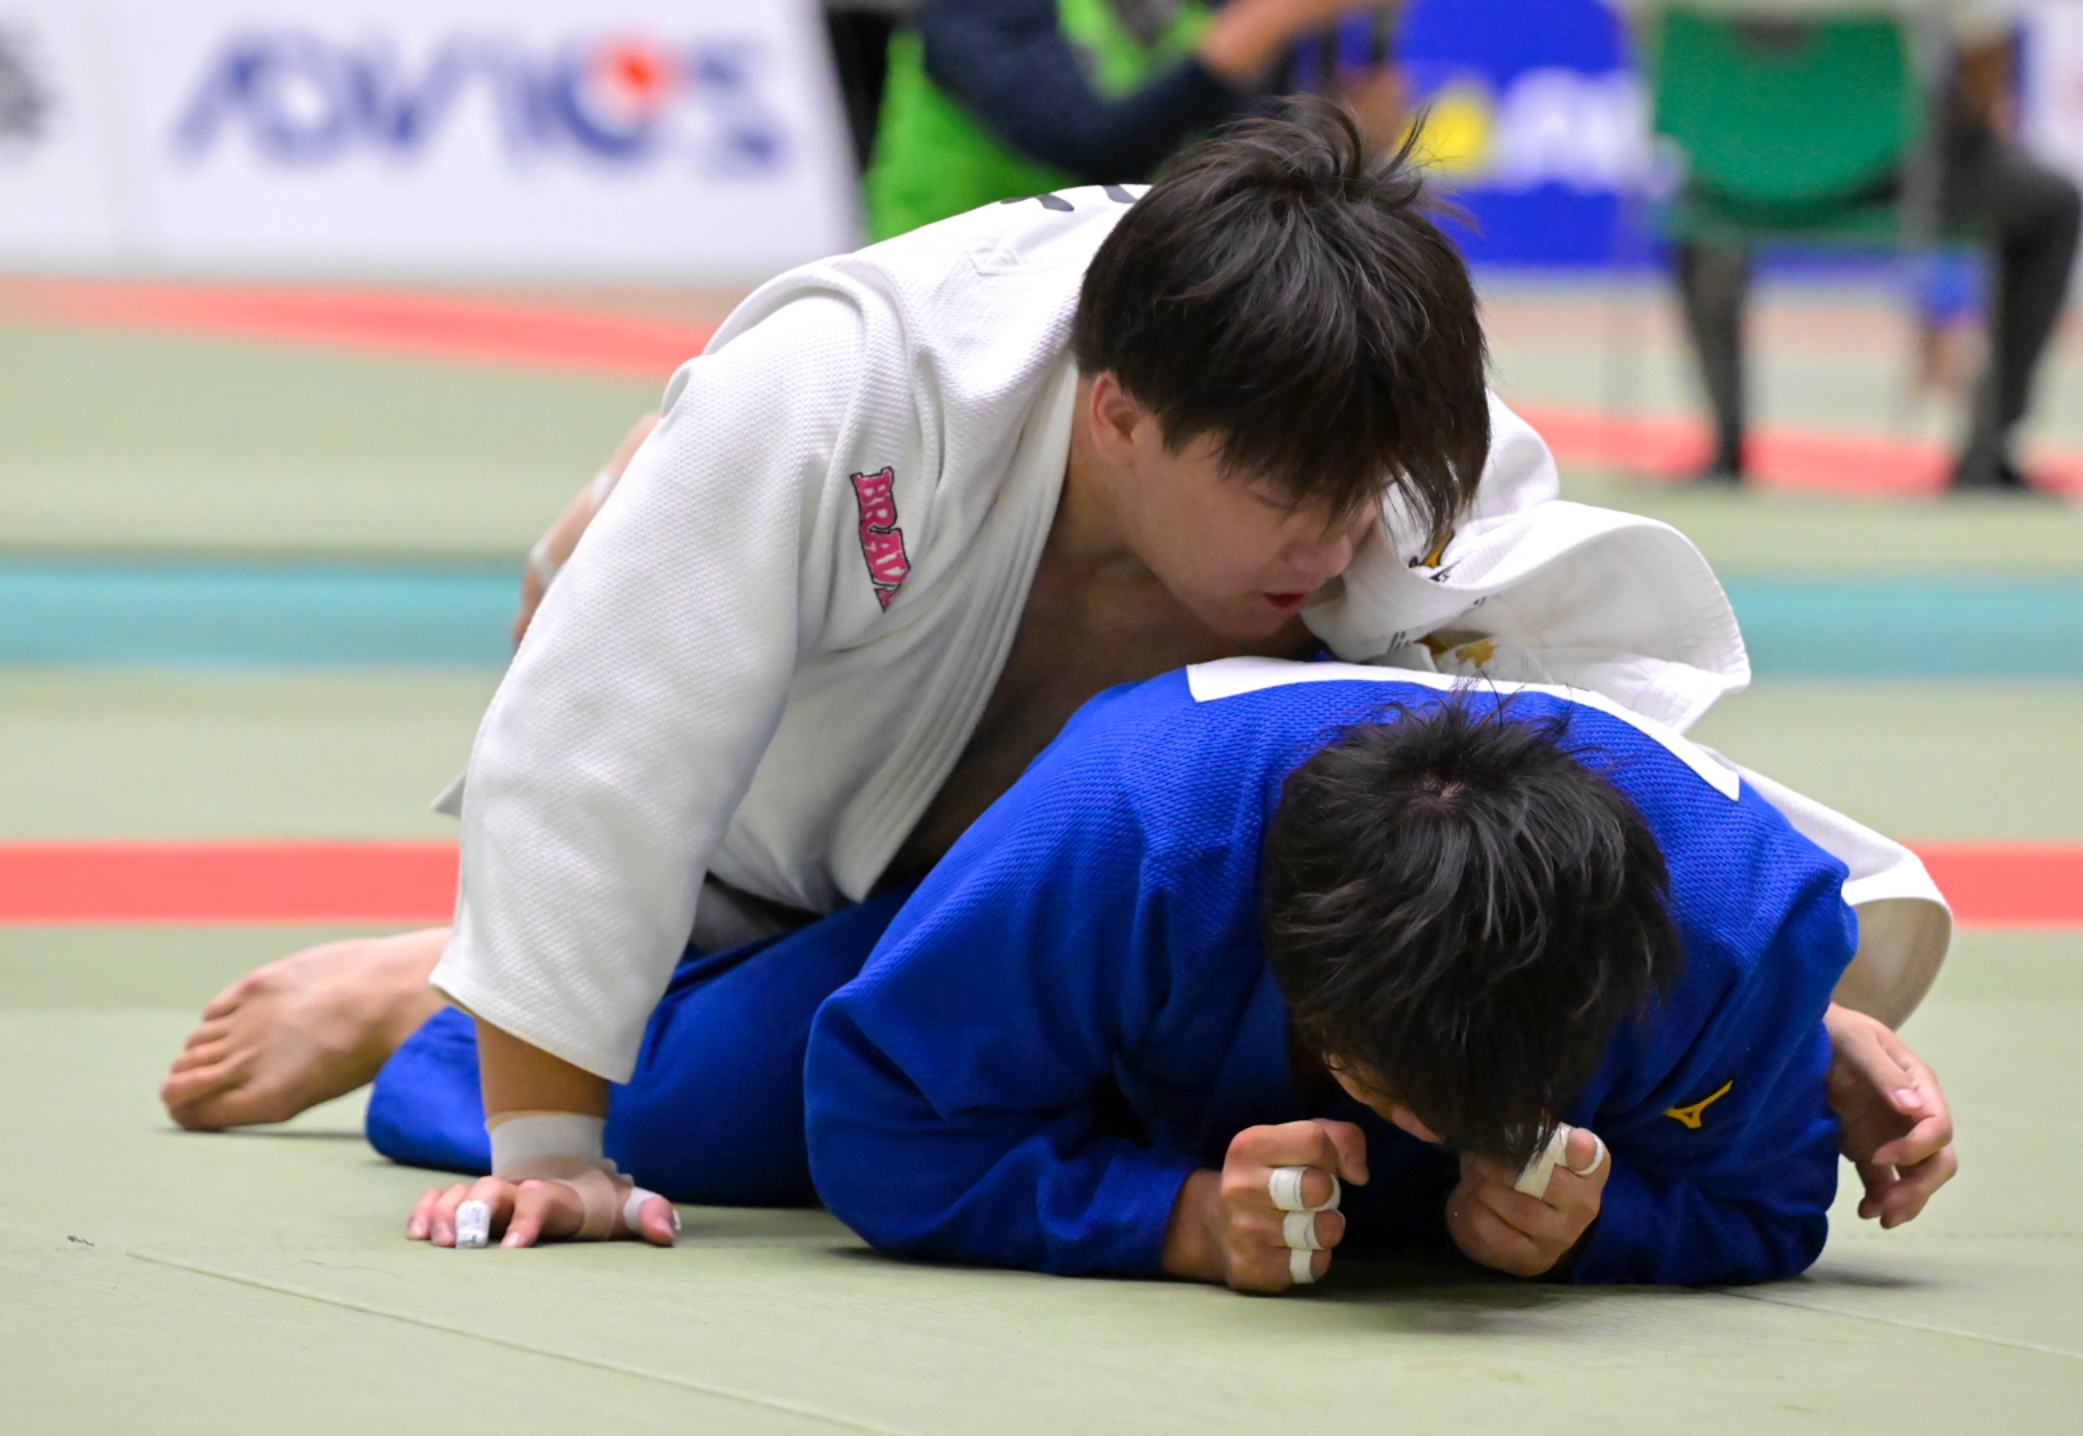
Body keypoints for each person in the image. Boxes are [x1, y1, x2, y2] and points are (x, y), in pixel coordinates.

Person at [161, 106, 1953, 1246]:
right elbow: (601, 734)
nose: (1337, 541)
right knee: (722, 1123)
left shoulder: (1394, 440)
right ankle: (435, 990)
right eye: (1290, 500)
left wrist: (1780, 1010)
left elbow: (1561, 765)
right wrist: (548, 1138)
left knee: (1388, 1103)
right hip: (760, 850)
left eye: (1364, 501)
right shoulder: (857, 388)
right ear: (1117, 416)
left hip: (1098, 895)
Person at [395, 667, 1952, 1286]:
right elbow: (879, 1130)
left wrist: (1604, 1226)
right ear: (1287, 984)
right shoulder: (1132, 832)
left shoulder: (1742, 942)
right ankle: (439, 985)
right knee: (668, 1110)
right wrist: (1176, 1220)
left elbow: (1767, 1210)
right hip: (1065, 952)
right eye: (1390, 1093)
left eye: (1484, 1110)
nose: (1427, 1140)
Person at [1665, 2, 2083, 491]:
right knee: (2055, 206)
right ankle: (1986, 453)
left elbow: (1651, 44)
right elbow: (1985, 45)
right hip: (1896, 173)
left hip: (1733, 170)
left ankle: (1724, 445)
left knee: (1702, 206)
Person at [866, 0, 1405, 239]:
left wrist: (1338, 140)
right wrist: (1258, 28)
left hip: (1121, 290)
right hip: (957, 287)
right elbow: (1089, 148)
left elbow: (1237, 168)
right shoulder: (977, 10)